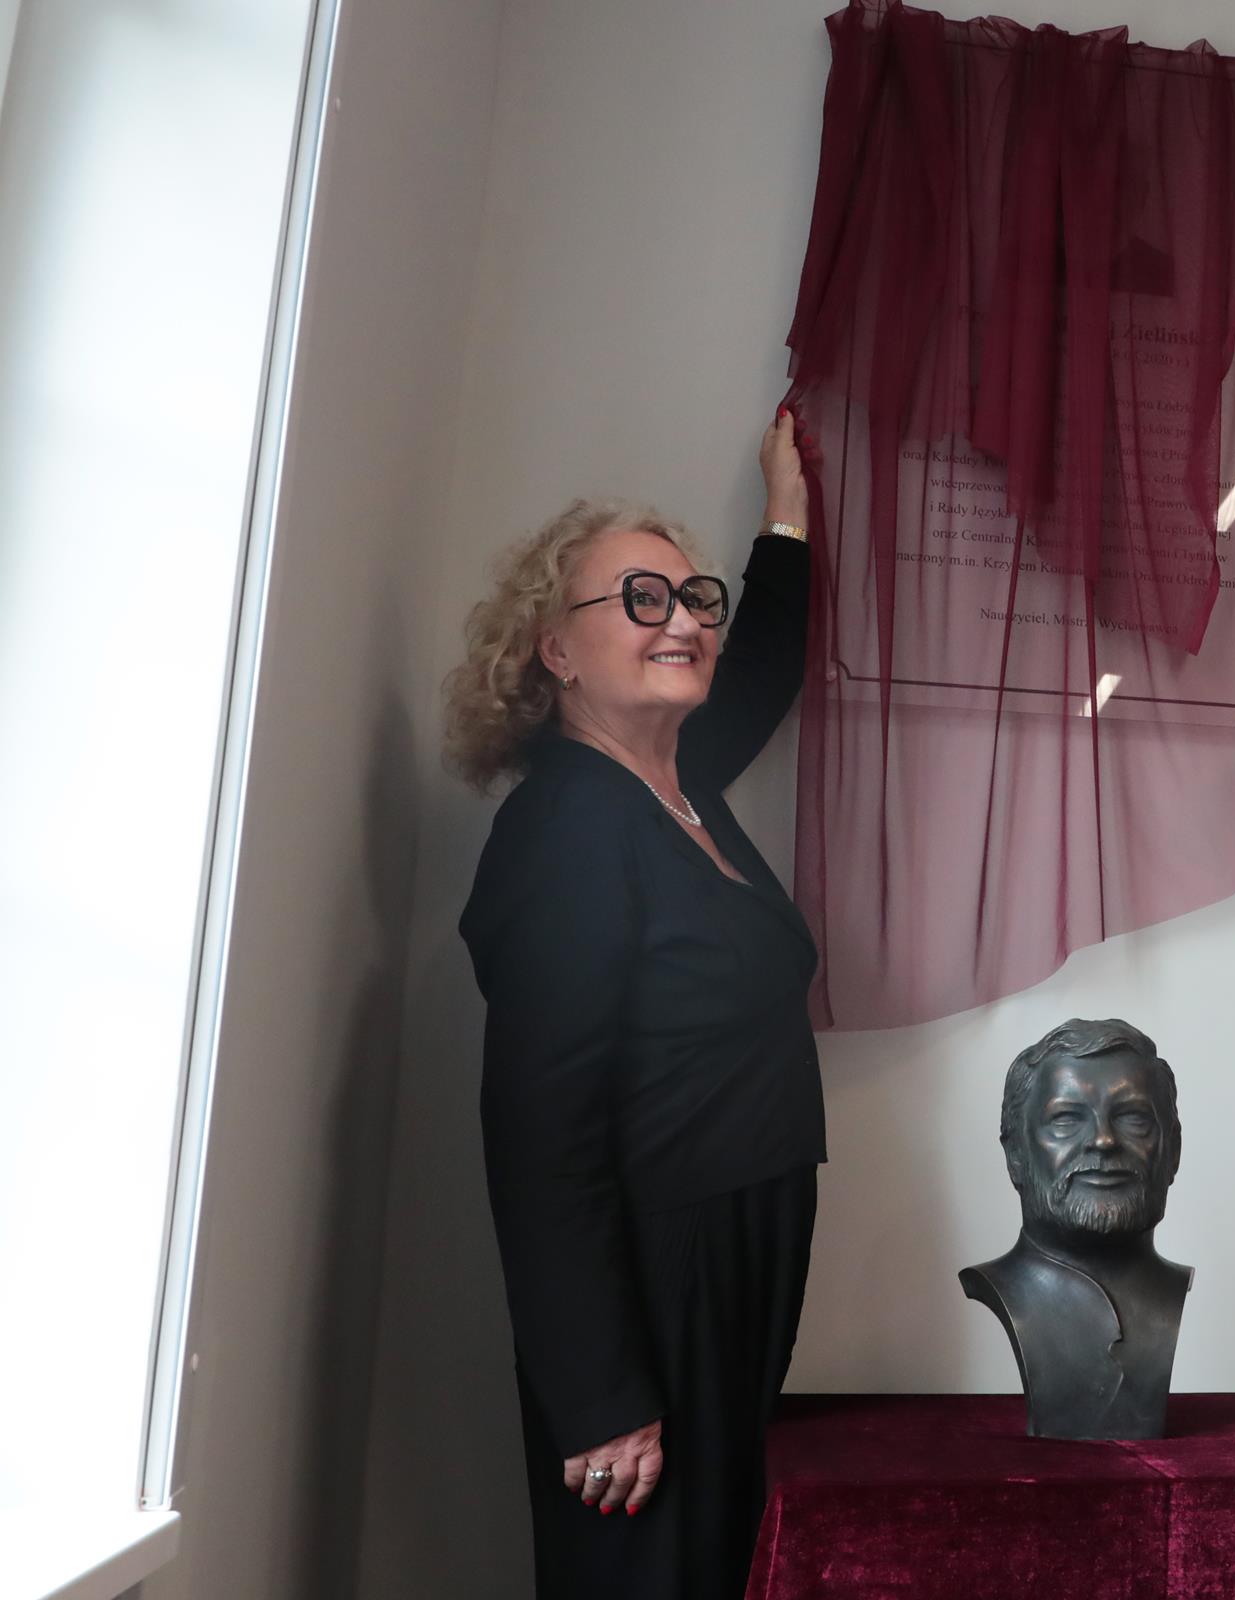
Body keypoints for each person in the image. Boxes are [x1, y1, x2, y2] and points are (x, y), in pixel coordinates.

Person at [444, 412, 824, 1599]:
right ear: (557, 649)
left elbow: (760, 670)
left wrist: (787, 513)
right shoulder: (566, 826)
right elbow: (538, 1135)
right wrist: (600, 1394)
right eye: (642, 600)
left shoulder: (675, 785)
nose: (685, 621)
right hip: (654, 1279)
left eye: (694, 599)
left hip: (727, 1262)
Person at [960, 1018, 1192, 1440]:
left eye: (1133, 1118)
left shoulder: (1174, 1293)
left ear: (1172, 1150)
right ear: (1015, 1154)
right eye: (1067, 1119)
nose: (1103, 1140)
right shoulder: (1006, 1290)